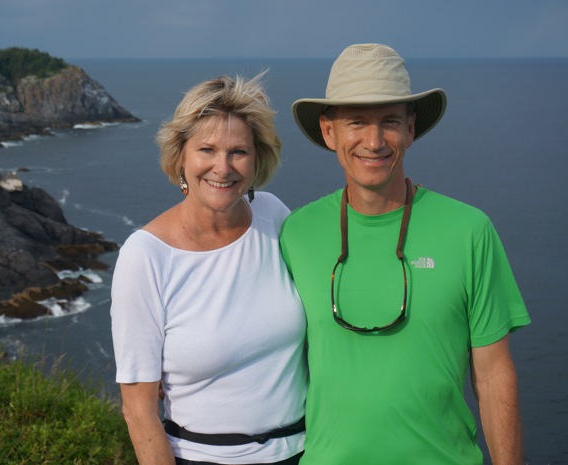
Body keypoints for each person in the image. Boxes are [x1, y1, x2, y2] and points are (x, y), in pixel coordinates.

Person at [280, 43, 531, 465]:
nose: (374, 141)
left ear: (411, 129)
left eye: (390, 122)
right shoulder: (295, 233)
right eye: (356, 121)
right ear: (329, 132)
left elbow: (493, 374)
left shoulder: (470, 231)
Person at [111, 73, 307, 465]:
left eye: (238, 151)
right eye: (207, 149)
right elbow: (138, 410)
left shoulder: (274, 215)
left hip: (305, 452)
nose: (223, 167)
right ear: (181, 155)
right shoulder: (146, 255)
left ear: (258, 159)